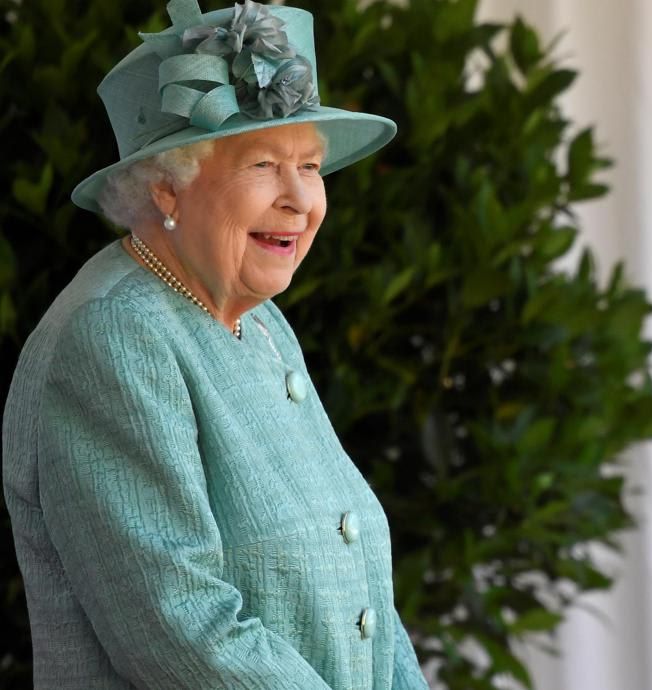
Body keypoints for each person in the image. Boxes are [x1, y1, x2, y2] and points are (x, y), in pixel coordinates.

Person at [2, 1, 430, 688]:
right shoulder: (113, 339)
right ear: (168, 187)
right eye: (263, 163)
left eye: (312, 167)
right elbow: (185, 630)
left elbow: (363, 594)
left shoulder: (258, 321)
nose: (300, 200)